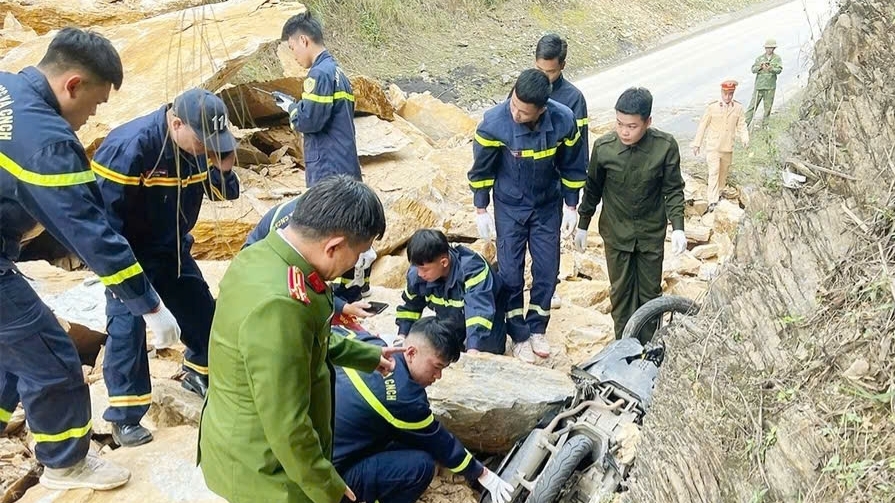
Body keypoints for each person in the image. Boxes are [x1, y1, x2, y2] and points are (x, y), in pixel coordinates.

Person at [0, 27, 180, 490]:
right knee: (52, 358)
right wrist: (150, 306)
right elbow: (92, 235)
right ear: (73, 84)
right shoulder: (47, 142)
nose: (91, 117)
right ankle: (66, 464)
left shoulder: (6, 87)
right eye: (95, 104)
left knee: (9, 353)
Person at [199, 175, 403, 503]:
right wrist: (327, 487)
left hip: (251, 444)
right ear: (333, 246)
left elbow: (305, 342)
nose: (356, 265)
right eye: (359, 253)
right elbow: (288, 425)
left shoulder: (268, 255)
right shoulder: (281, 305)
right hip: (266, 469)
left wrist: (364, 355)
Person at [90, 88, 240, 446]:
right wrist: (124, 279)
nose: (207, 147)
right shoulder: (130, 148)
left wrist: (224, 165)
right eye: (204, 140)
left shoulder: (198, 147)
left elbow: (225, 195)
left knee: (204, 314)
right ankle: (124, 417)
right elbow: (100, 223)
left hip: (172, 249)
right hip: (127, 253)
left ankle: (198, 371)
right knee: (127, 330)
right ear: (176, 123)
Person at [467, 69, 587, 363]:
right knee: (510, 273)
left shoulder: (563, 121)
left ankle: (537, 328)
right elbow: (482, 169)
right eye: (514, 106)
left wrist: (572, 205)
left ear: (542, 110)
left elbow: (573, 164)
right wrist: (481, 207)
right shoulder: (495, 123)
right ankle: (518, 334)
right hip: (510, 206)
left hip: (547, 205)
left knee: (547, 270)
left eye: (524, 112)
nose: (517, 113)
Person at [333, 317, 513, 503]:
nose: (438, 376)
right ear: (411, 353)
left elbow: (332, 333)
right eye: (436, 367)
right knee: (421, 467)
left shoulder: (366, 343)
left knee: (400, 436)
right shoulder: (406, 398)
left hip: (311, 454)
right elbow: (442, 443)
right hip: (332, 482)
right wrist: (482, 473)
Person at [273, 11, 376, 301]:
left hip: (327, 164)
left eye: (292, 47)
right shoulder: (337, 72)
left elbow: (311, 121)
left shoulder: (317, 75)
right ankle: (357, 282)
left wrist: (292, 109)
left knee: (331, 224)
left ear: (304, 40)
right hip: (343, 159)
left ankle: (345, 290)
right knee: (348, 221)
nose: (293, 56)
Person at [574, 88, 686, 343]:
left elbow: (673, 189)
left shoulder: (665, 147)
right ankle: (623, 347)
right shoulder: (604, 148)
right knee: (621, 294)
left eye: (632, 126)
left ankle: (648, 349)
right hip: (616, 233)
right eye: (620, 124)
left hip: (650, 234)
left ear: (648, 122)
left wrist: (678, 226)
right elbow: (592, 189)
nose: (624, 131)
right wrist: (583, 223)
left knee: (649, 295)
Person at [242, 195, 378, 313]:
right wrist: (339, 306)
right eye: (359, 252)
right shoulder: (295, 246)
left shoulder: (330, 220)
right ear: (334, 246)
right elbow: (307, 290)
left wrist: (343, 306)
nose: (355, 261)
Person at [534, 33, 590, 311]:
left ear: (563, 66)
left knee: (548, 241)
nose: (545, 77)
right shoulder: (525, 88)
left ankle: (547, 289)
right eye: (540, 70)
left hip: (554, 184)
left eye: (551, 72)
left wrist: (573, 200)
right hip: (522, 181)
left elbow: (579, 153)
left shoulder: (573, 99)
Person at [395, 229, 509, 357]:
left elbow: (479, 310)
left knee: (487, 348)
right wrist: (402, 336)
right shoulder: (417, 274)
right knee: (441, 350)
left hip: (488, 312)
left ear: (444, 262)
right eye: (417, 267)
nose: (420, 274)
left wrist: (474, 350)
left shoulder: (472, 270)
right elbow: (411, 306)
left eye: (424, 269)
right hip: (450, 316)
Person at [691, 79, 749, 211]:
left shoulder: (738, 108)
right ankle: (712, 200)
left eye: (730, 94)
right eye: (725, 93)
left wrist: (745, 138)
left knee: (723, 173)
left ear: (733, 93)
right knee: (714, 171)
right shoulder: (713, 107)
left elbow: (741, 125)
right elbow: (703, 125)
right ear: (721, 92)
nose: (727, 97)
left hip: (727, 147)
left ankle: (719, 193)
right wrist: (697, 143)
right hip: (713, 146)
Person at [745, 39, 783, 126]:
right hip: (759, 86)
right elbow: (753, 70)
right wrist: (760, 67)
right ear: (765, 48)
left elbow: (779, 70)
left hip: (770, 87)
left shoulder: (777, 59)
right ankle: (744, 125)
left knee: (768, 108)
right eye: (767, 48)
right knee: (752, 107)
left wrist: (771, 69)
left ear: (774, 48)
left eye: (771, 48)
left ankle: (765, 126)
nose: (769, 50)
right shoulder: (759, 58)